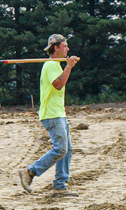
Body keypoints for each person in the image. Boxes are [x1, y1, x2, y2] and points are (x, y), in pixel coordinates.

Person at [17, 34, 82, 196]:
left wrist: (66, 66)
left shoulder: (55, 65)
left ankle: (59, 185)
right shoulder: (52, 65)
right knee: (61, 149)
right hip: (52, 114)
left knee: (67, 150)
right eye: (65, 46)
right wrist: (69, 67)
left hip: (58, 113)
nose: (68, 49)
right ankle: (30, 172)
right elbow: (58, 85)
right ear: (56, 48)